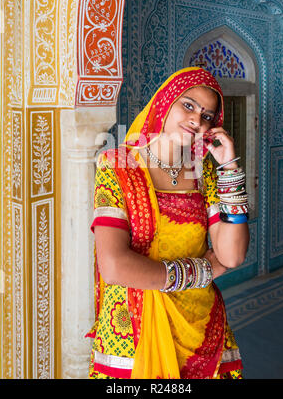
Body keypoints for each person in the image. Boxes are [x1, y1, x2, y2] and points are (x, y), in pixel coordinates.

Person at [86, 67, 249, 379]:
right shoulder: (119, 167)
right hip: (134, 328)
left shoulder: (206, 174)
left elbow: (232, 256)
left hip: (201, 327)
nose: (197, 120)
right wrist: (201, 270)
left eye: (208, 116)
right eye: (188, 105)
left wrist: (229, 166)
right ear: (164, 102)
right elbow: (115, 266)